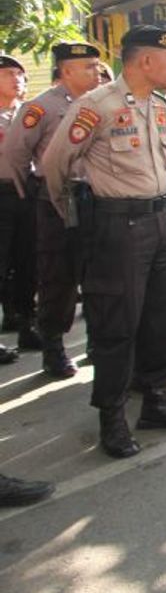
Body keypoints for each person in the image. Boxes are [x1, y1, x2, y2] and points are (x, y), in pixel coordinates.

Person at [43, 25, 166, 458]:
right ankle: (111, 418)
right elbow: (55, 164)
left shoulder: (157, 105)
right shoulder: (96, 105)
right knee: (116, 326)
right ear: (145, 61)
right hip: (118, 227)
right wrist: (75, 219)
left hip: (161, 219)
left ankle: (155, 400)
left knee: (163, 317)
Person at [3, 42, 103, 379]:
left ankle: (97, 343)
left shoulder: (103, 102)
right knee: (58, 276)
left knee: (99, 272)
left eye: (96, 66)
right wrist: (36, 195)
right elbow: (16, 157)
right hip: (58, 199)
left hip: (99, 197)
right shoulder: (41, 107)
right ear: (66, 70)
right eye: (88, 66)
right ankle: (54, 347)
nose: (96, 72)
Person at [0, 54, 33, 363]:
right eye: (9, 73)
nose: (17, 79)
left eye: (20, 74)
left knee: (27, 264)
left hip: (26, 194)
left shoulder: (27, 114)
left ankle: (26, 324)